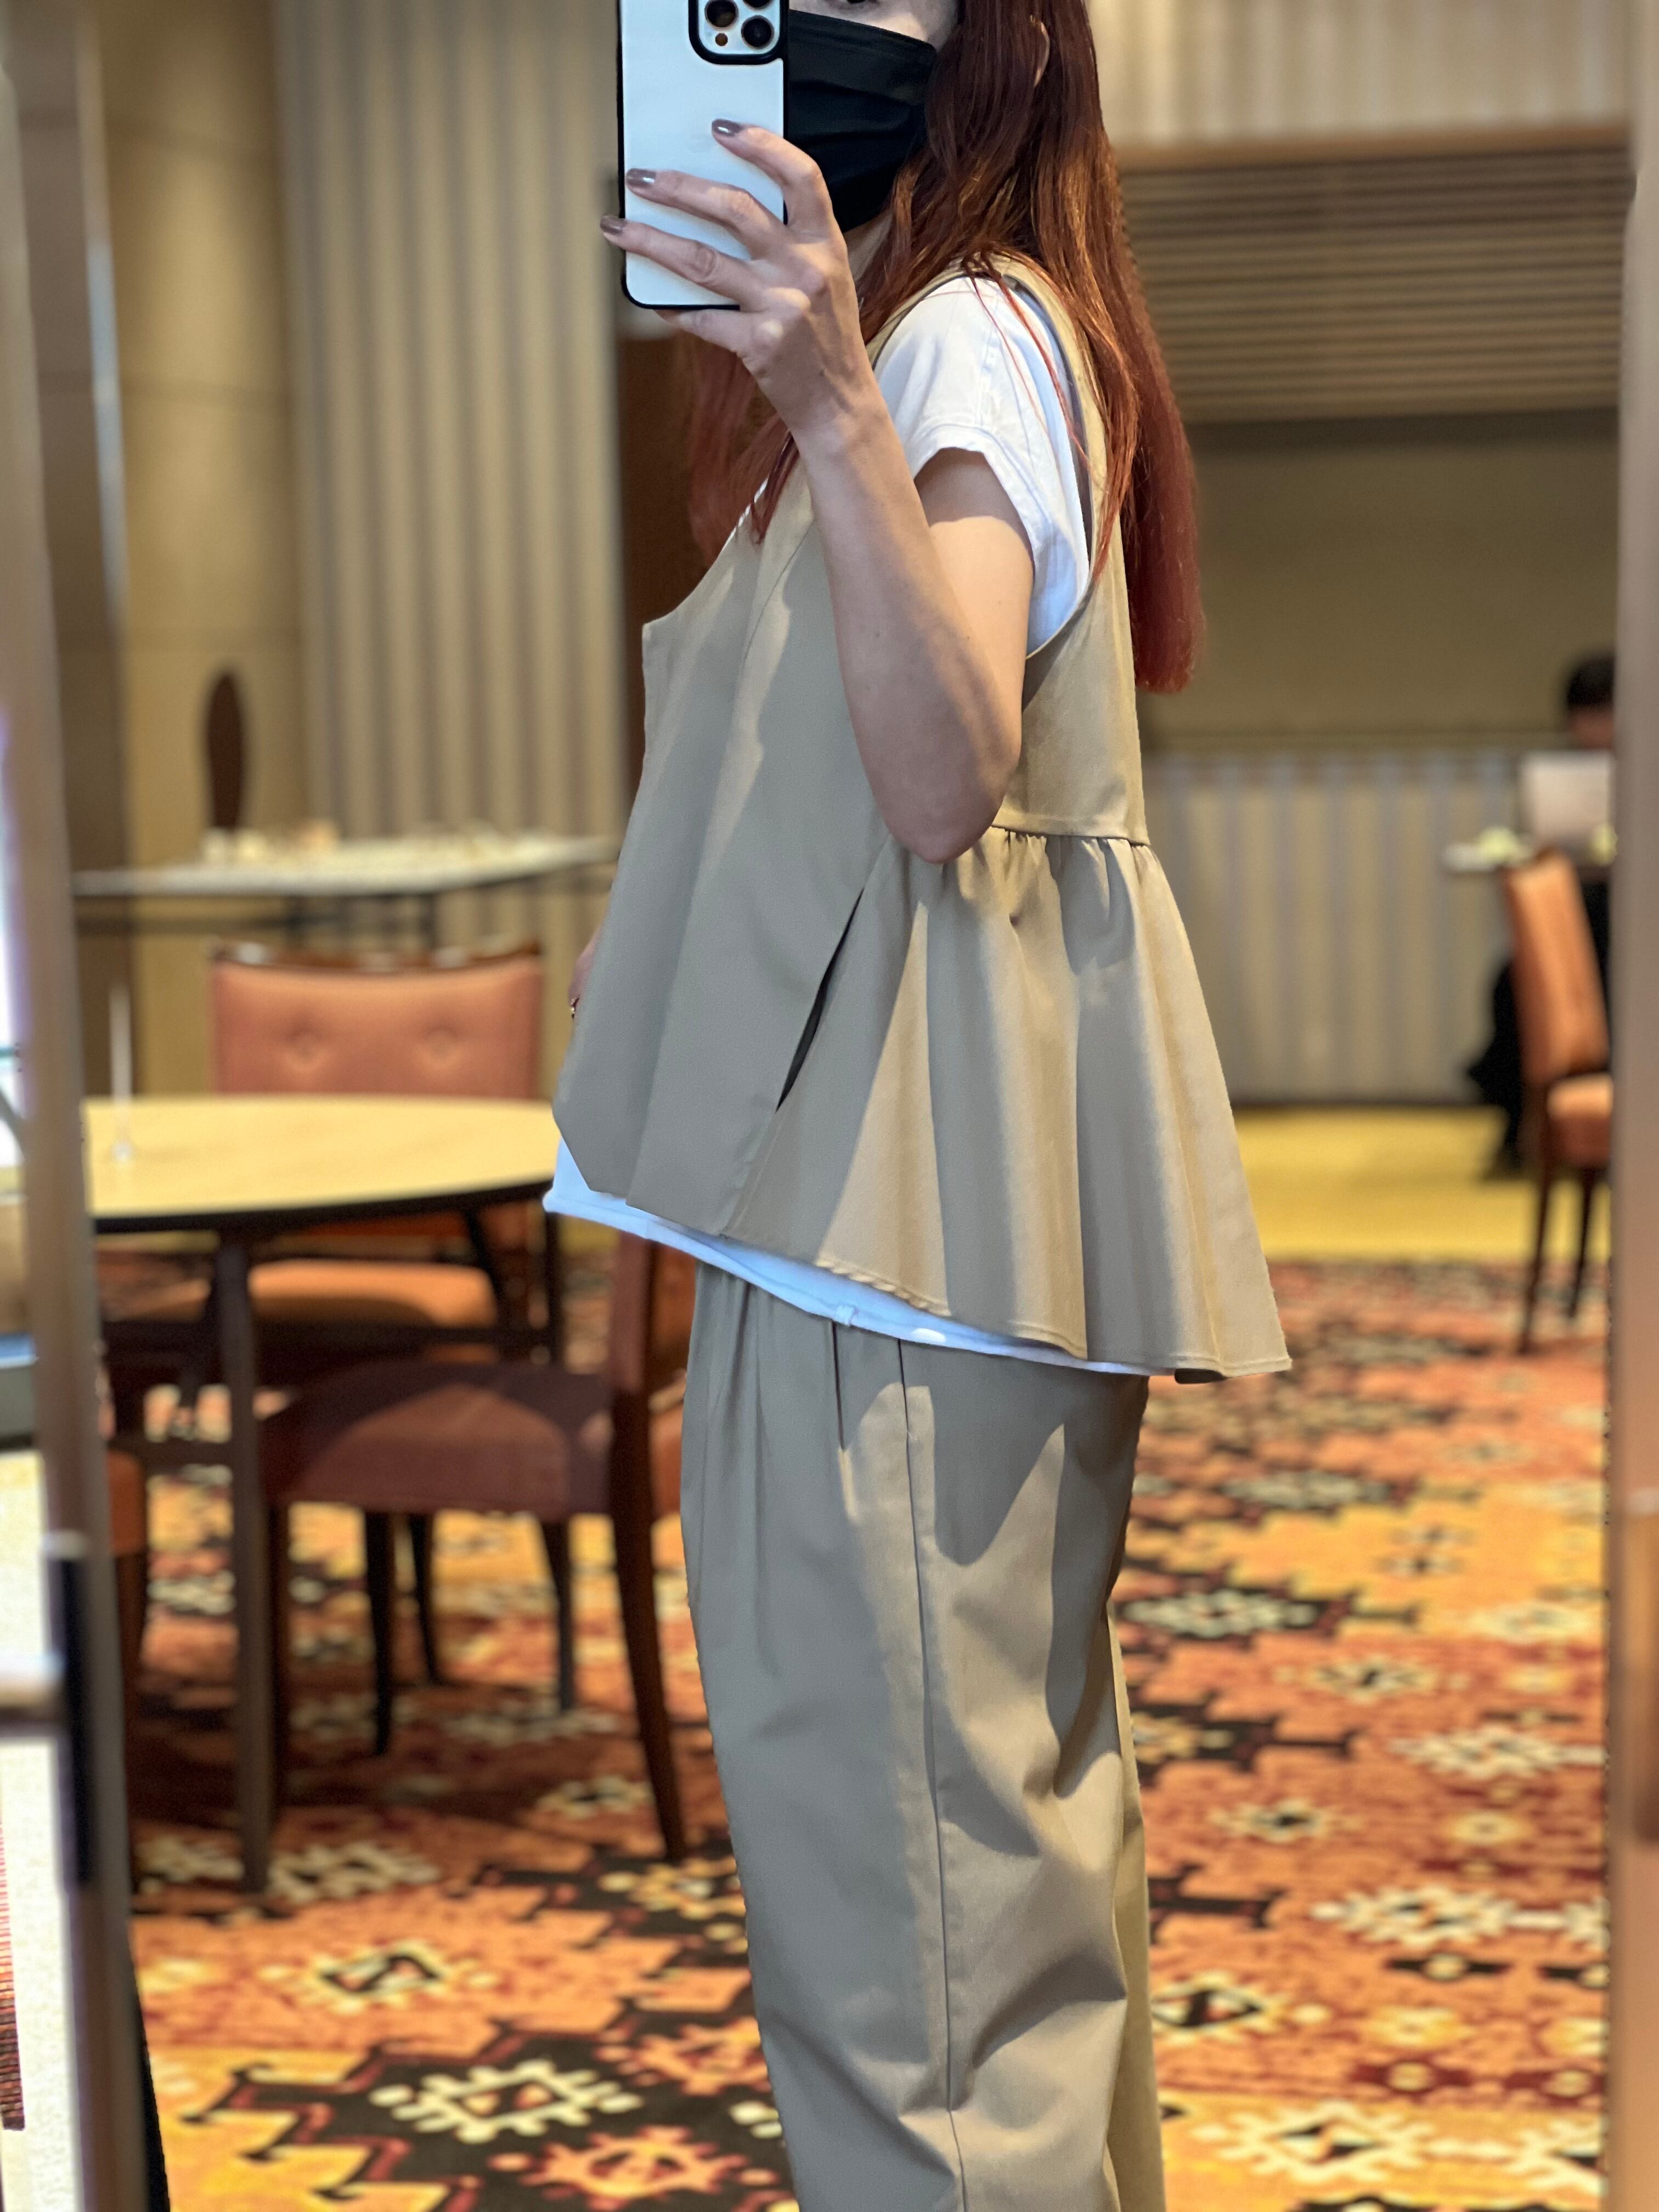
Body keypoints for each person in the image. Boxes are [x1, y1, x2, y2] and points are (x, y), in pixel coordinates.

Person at [554, 0, 1286, 2201]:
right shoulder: (971, 333)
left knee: (919, 1985)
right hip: (909, 1231)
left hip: (886, 1247)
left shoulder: (957, 340)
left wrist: (826, 397)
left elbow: (944, 767)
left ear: (999, 42)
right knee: (997, 1925)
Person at [1466, 652, 1615, 1168]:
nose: (1598, 727)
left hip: (1631, 931)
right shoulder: (1555, 779)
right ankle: (1521, 1127)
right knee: (1513, 985)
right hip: (1577, 917)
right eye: (1587, 714)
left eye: (1607, 713)